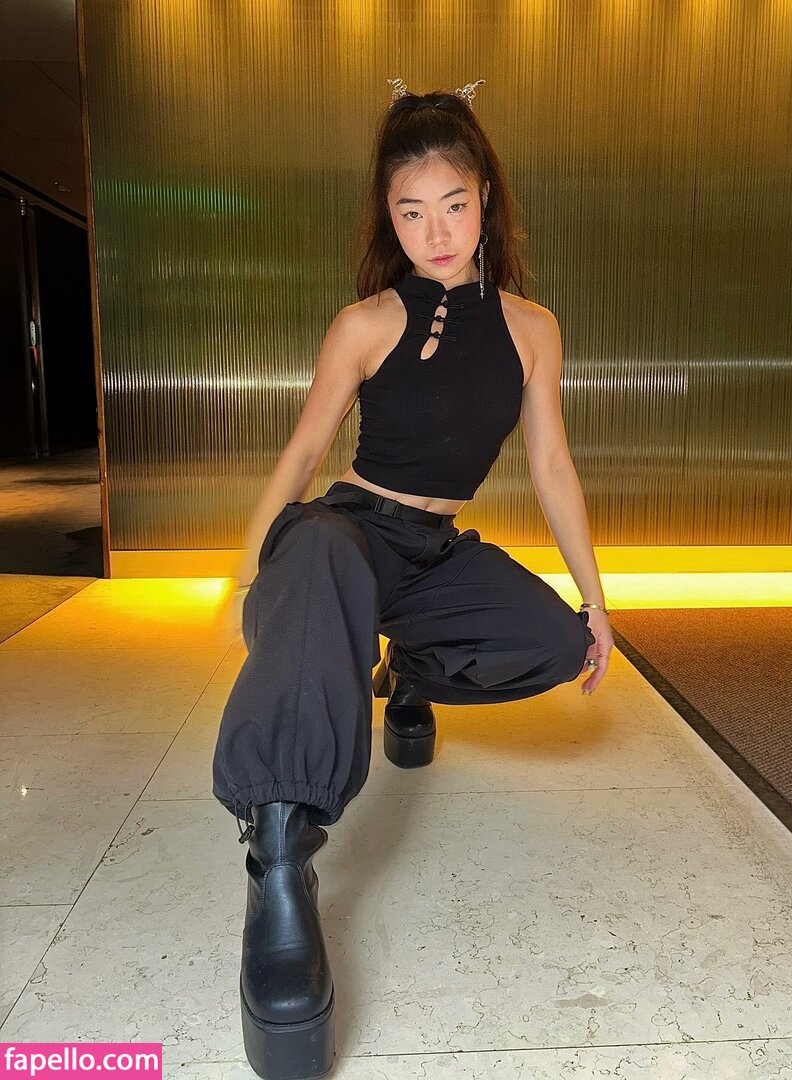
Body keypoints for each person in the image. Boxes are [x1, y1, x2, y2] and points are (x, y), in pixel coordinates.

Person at [211, 77, 614, 1080]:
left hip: (437, 553)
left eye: (454, 205)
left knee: (554, 642)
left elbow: (553, 466)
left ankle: (407, 676)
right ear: (387, 219)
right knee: (318, 547)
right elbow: (304, 451)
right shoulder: (365, 322)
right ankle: (280, 855)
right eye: (411, 211)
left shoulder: (534, 328)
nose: (436, 232)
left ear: (488, 202)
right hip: (350, 534)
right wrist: (245, 575)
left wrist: (597, 601)